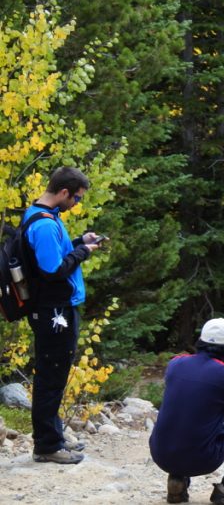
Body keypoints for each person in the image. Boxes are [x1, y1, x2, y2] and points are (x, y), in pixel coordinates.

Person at [23, 166, 102, 464]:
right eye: (77, 199)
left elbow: (55, 256)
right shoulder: (43, 225)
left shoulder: (45, 216)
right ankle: (46, 446)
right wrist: (84, 253)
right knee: (50, 377)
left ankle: (53, 437)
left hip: (57, 309)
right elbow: (53, 270)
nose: (76, 204)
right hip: (54, 312)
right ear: (64, 192)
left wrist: (81, 241)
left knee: (53, 374)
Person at [149, 319, 224, 505]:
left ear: (201, 341)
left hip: (161, 455)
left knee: (186, 418)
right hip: (202, 459)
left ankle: (177, 480)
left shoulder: (176, 364)